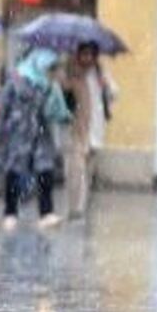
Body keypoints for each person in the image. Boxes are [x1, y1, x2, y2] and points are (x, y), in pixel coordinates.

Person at [0, 48, 72, 233]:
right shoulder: (16, 78)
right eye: (50, 68)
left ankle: (46, 213)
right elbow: (3, 105)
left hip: (40, 133)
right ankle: (10, 213)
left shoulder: (49, 85)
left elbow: (56, 112)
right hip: (17, 133)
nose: (52, 72)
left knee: (45, 171)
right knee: (14, 172)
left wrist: (60, 102)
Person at [63, 41, 116, 220]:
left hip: (97, 126)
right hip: (79, 127)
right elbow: (63, 90)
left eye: (90, 54)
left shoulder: (101, 73)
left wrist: (106, 86)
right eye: (84, 54)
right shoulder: (73, 73)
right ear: (78, 55)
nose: (87, 58)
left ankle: (83, 206)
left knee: (88, 170)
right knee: (76, 168)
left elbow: (115, 93)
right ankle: (75, 207)